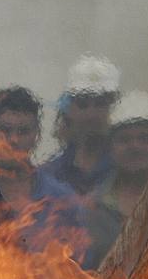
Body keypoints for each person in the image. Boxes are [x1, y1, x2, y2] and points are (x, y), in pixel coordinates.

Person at [0, 86, 85, 255]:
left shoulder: (61, 200)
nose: (14, 140)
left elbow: (79, 269)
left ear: (36, 135)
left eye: (23, 131)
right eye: (5, 130)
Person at [81, 91, 148, 270]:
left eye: (145, 138)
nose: (135, 147)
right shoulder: (91, 210)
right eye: (124, 139)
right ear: (110, 148)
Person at [40, 54, 121, 195]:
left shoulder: (127, 168)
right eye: (83, 104)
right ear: (68, 111)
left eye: (100, 104)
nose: (91, 114)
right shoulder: (50, 174)